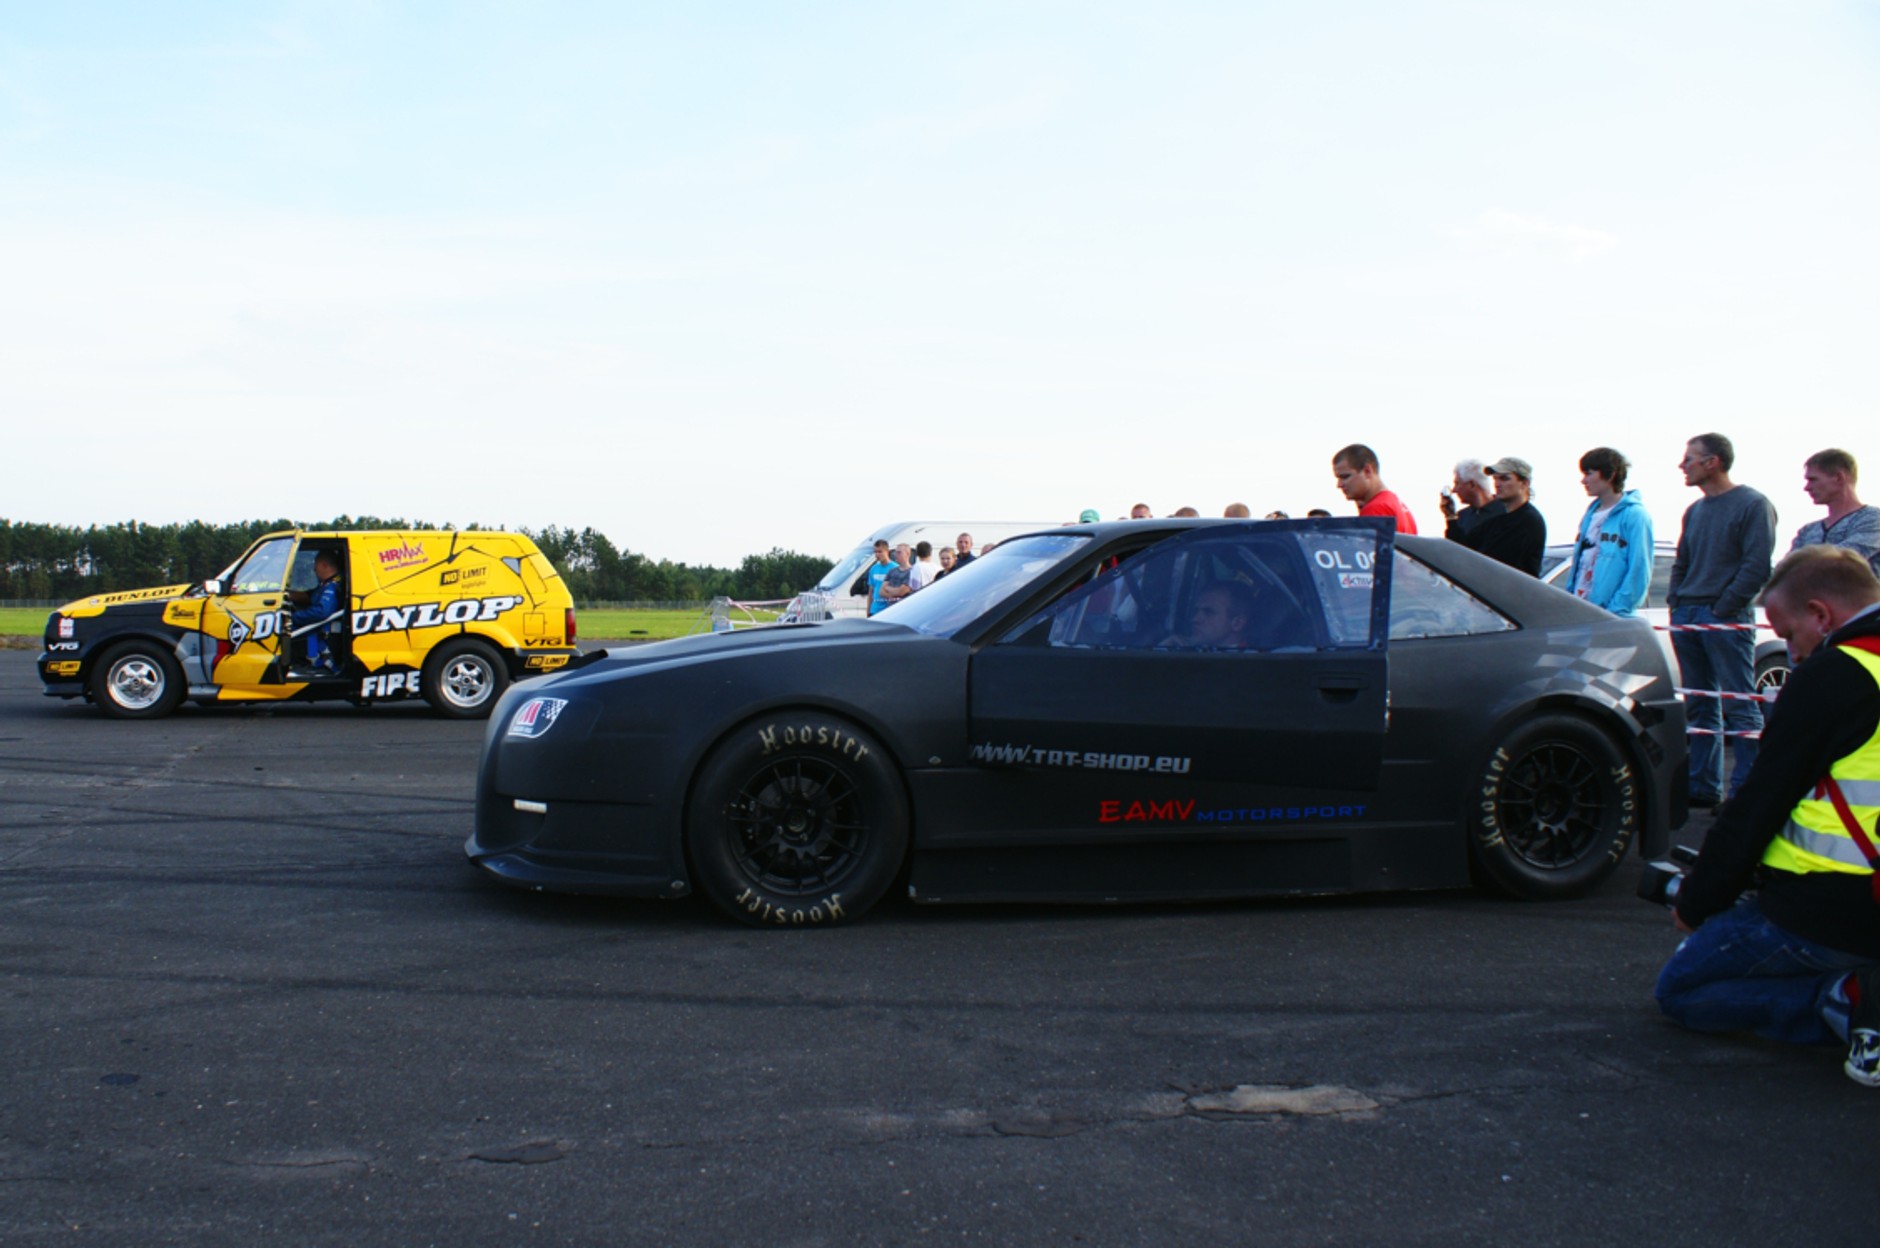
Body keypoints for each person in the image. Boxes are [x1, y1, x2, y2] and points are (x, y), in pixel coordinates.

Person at [1655, 546, 1880, 1085]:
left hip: (1827, 908)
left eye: (1789, 634)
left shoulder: (1836, 674)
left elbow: (1760, 801)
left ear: (1821, 615)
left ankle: (1846, 1002)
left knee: (1683, 992)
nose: (1793, 654)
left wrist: (1698, 900)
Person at [1670, 433, 1778, 804]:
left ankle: (1746, 793)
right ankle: (1704, 789)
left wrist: (1723, 608)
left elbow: (1756, 566)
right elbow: (1681, 561)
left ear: (1712, 462)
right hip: (1688, 615)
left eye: (1690, 458)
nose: (1682, 465)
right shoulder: (1695, 511)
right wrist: (1677, 604)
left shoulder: (1753, 504)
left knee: (1739, 704)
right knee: (1700, 704)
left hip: (1724, 618)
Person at [1565, 447, 1654, 615]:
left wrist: (1618, 609)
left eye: (1589, 473)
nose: (1584, 481)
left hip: (1611, 616)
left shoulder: (1635, 514)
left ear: (1610, 474)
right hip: (1582, 611)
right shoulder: (1590, 514)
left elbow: (1639, 567)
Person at [1792, 448, 1880, 577]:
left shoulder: (1872, 519)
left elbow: (1844, 559)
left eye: (1813, 479)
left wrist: (1800, 566)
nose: (1807, 487)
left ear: (1839, 478)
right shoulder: (1807, 531)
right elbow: (1785, 571)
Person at [1450, 457, 1545, 576]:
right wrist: (1450, 517)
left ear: (1524, 483)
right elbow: (1463, 547)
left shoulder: (1528, 520)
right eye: (1495, 478)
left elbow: (1490, 561)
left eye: (1504, 478)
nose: (1497, 484)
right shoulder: (1499, 520)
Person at [1331, 444, 1417, 534]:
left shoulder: (1376, 509)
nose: (1339, 485)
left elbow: (1366, 547)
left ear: (1367, 471)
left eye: (1345, 477)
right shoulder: (1397, 503)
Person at [286, 551, 345, 672]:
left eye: (316, 564)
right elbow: (309, 596)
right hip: (317, 631)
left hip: (324, 635)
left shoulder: (333, 586)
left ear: (324, 565)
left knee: (285, 630)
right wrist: (286, 594)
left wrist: (293, 617)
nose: (314, 569)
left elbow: (321, 612)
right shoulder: (326, 584)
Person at [1159, 582, 1254, 650]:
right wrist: (1162, 651)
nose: (1194, 619)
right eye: (1196, 611)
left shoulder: (1249, 664)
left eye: (1209, 612)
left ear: (1237, 623)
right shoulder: (1197, 652)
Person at [1438, 458, 1504, 537]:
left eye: (1457, 483)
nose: (1454, 490)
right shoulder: (1462, 517)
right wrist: (1450, 517)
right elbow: (1455, 546)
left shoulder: (1506, 510)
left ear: (1472, 484)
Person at [863, 540, 895, 615]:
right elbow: (871, 591)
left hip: (888, 610)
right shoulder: (873, 569)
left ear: (887, 551)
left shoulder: (895, 568)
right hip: (874, 610)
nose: (877, 554)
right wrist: (868, 610)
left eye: (880, 552)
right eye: (875, 552)